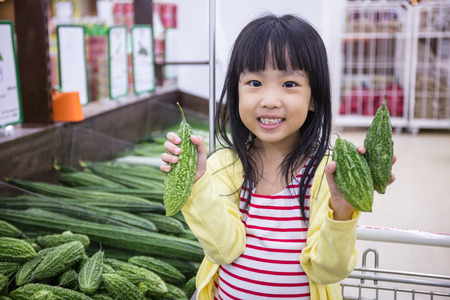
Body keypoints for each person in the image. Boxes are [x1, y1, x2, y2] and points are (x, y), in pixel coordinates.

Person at [161, 13, 395, 300]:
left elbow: (328, 271)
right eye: (255, 83)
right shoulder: (223, 167)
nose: (269, 100)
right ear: (235, 93)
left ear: (314, 98)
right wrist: (196, 184)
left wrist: (343, 210)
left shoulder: (325, 174)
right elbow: (223, 249)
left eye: (289, 84)